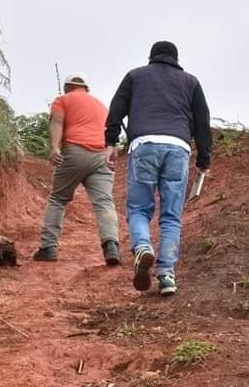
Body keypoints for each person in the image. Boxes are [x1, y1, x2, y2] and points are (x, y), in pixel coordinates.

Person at [103, 41, 211, 296]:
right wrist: (204, 159)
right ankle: (166, 275)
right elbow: (203, 122)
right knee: (171, 216)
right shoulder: (191, 82)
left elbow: (116, 108)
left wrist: (110, 142)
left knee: (139, 208)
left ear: (151, 57)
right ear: (176, 59)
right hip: (178, 148)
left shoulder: (135, 76)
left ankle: (142, 247)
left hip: (144, 145)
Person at [33, 73, 121, 265]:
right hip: (101, 155)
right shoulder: (100, 105)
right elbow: (111, 132)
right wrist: (111, 152)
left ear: (67, 87)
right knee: (104, 202)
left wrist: (55, 147)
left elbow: (57, 121)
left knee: (58, 198)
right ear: (86, 88)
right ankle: (111, 246)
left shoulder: (62, 100)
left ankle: (48, 247)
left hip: (75, 151)